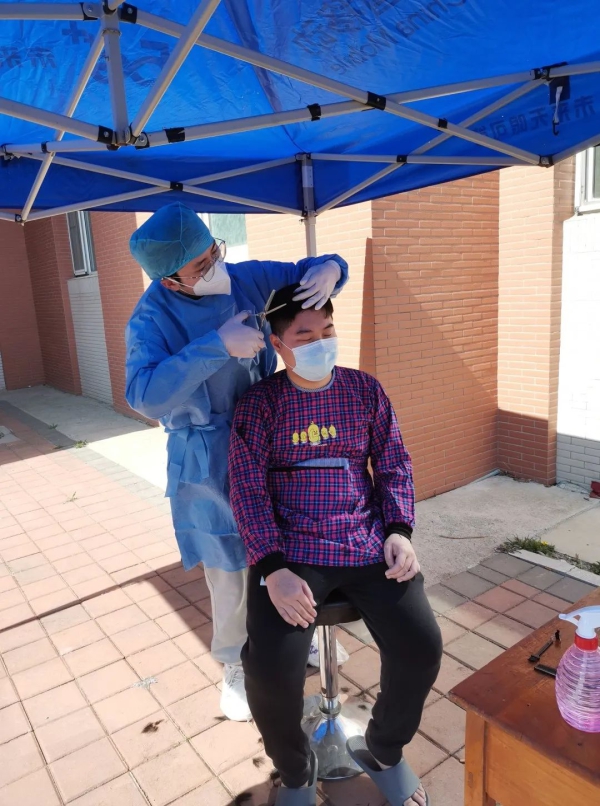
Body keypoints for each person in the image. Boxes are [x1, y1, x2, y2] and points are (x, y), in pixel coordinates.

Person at [125, 203, 349, 721]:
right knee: (229, 566)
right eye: (200, 266)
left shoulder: (246, 281)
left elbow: (306, 275)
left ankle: (301, 631)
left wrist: (331, 269)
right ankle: (233, 664)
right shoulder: (151, 317)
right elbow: (144, 395)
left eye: (214, 252)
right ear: (170, 280)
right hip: (207, 457)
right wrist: (214, 346)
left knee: (289, 544)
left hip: (270, 436)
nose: (215, 267)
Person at [228, 284, 443, 806]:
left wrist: (399, 531)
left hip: (366, 542)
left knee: (420, 646)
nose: (321, 342)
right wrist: (272, 567)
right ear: (278, 344)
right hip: (293, 554)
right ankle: (296, 770)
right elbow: (247, 488)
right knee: (268, 671)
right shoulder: (260, 405)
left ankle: (383, 750)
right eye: (305, 336)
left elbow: (393, 463)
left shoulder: (365, 391)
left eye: (327, 330)